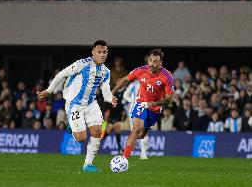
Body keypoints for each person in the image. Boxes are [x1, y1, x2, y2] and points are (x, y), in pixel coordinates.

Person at [37, 40, 117, 172]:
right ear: (93, 52)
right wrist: (49, 90)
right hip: (74, 104)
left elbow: (105, 90)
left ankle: (88, 165)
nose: (102, 54)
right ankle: (72, 126)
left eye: (105, 52)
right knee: (81, 138)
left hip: (91, 103)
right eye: (99, 52)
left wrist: (110, 98)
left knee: (97, 131)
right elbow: (62, 74)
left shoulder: (105, 71)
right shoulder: (82, 64)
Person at [112, 48, 174, 160]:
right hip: (140, 103)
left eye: (155, 61)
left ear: (161, 64)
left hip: (154, 108)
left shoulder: (167, 76)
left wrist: (152, 104)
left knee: (141, 135)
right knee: (136, 129)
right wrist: (112, 93)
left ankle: (134, 147)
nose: (152, 63)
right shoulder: (140, 70)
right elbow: (123, 79)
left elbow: (170, 99)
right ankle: (124, 158)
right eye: (150, 60)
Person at [122, 54, 150, 160]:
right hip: (134, 110)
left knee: (141, 131)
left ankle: (143, 153)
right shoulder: (133, 85)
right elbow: (125, 95)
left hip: (144, 109)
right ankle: (134, 152)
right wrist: (133, 101)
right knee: (135, 132)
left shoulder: (146, 84)